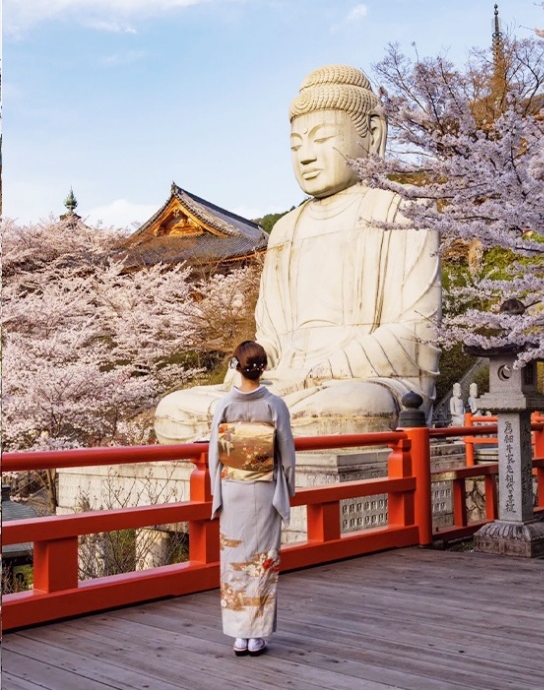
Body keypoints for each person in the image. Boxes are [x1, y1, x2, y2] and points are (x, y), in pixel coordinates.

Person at [155, 64, 441, 443]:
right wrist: (246, 367)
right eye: (295, 145)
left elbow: (417, 331)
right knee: (174, 409)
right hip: (284, 384)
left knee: (355, 406)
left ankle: (256, 433)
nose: (305, 156)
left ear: (372, 135)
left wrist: (315, 373)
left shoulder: (403, 212)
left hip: (362, 382)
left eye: (321, 139)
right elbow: (271, 337)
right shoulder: (286, 230)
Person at [208, 340, 295, 657]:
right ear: (264, 368)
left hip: (233, 491)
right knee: (262, 561)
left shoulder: (224, 406)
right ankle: (256, 635)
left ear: (235, 366)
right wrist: (287, 490)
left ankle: (238, 634)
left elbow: (214, 456)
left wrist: (216, 493)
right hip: (265, 488)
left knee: (235, 562)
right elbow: (286, 454)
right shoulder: (275, 405)